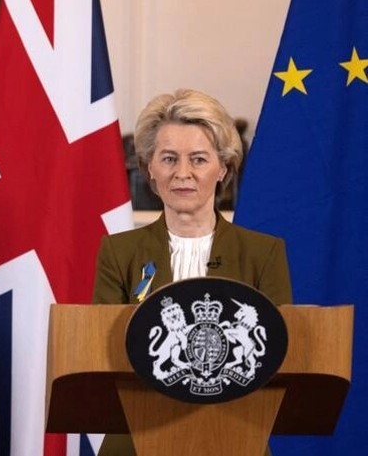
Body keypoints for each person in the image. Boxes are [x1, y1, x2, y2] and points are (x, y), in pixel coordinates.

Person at [92, 89, 291, 456]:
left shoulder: (263, 254)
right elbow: (102, 357)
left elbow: (278, 358)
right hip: (135, 440)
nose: (182, 173)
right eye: (169, 158)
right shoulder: (118, 253)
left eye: (198, 159)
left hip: (235, 438)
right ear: (150, 167)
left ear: (224, 168)